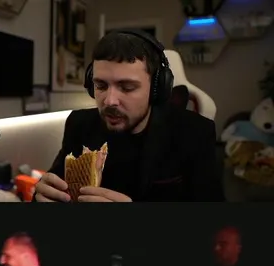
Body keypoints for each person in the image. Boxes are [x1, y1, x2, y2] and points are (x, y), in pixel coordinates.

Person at [32, 30, 223, 203]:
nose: (110, 101)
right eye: (101, 86)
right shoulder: (79, 124)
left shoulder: (195, 132)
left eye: (127, 87)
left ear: (156, 89)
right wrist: (40, 194)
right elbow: (52, 188)